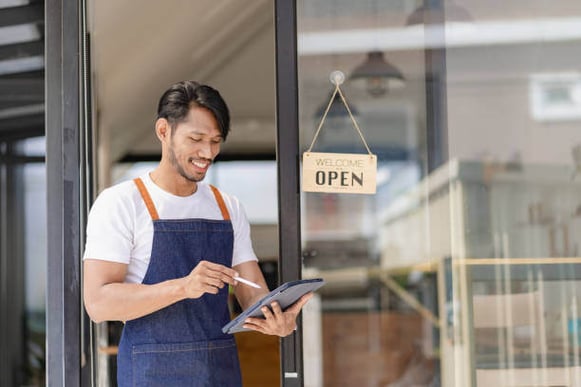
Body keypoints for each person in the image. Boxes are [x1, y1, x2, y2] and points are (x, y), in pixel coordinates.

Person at [82, 80, 313, 386]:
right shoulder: (121, 203)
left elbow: (250, 289)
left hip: (220, 372)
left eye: (216, 141)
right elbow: (98, 303)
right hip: (151, 375)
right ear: (163, 131)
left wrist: (277, 319)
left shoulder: (227, 206)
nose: (208, 152)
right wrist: (183, 287)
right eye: (196, 138)